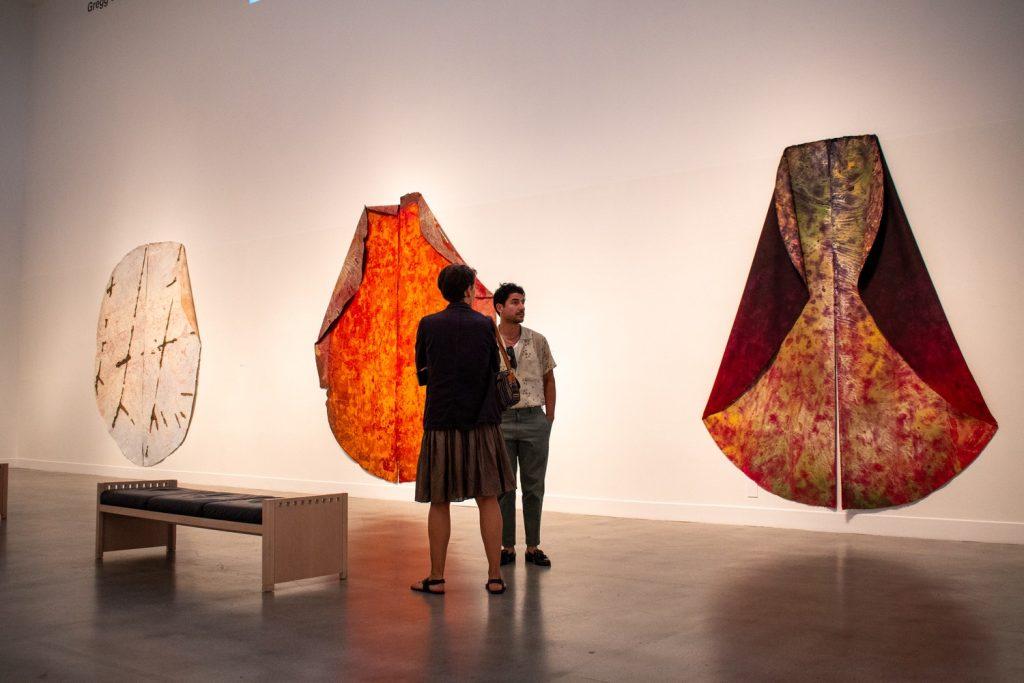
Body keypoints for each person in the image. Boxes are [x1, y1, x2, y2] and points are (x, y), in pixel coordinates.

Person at [410, 264, 516, 596]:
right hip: (482, 422)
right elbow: (491, 370)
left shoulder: (428, 325)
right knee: (488, 498)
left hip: (442, 421)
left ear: (444, 291)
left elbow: (423, 374)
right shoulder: (485, 326)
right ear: (469, 289)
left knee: (439, 500)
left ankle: (437, 577)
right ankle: (495, 576)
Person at [493, 283, 557, 568]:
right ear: (500, 308)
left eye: (523, 302)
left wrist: (548, 419)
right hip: (501, 421)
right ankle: (507, 546)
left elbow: (549, 380)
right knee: (504, 488)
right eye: (515, 302)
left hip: (534, 419)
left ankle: (533, 546)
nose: (521, 307)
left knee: (534, 487)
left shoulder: (537, 341)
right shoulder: (488, 341)